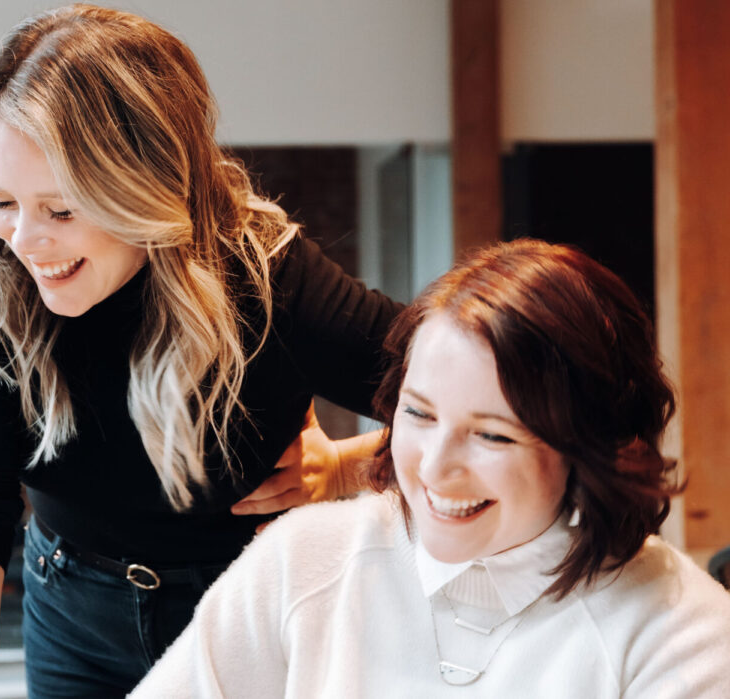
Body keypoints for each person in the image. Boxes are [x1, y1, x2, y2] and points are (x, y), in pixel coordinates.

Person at [0, 4, 400, 697]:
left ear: (148, 188)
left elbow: (481, 400)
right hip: (68, 603)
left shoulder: (264, 279)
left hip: (239, 607)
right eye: (2, 199)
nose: (23, 241)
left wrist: (348, 467)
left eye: (62, 208)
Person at [131, 239, 730, 698]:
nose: (437, 470)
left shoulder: (681, 631)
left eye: (492, 435)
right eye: (417, 414)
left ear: (593, 443)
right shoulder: (303, 561)